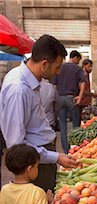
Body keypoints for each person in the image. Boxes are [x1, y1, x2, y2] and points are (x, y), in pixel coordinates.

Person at [0, 34, 78, 192]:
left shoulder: (26, 79)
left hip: (41, 158)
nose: (57, 73)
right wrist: (55, 157)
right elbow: (16, 145)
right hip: (34, 164)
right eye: (56, 67)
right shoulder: (19, 89)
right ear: (44, 64)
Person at [53, 50, 86, 153]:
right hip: (72, 98)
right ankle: (76, 149)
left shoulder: (59, 67)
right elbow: (83, 82)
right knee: (76, 125)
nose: (78, 62)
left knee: (63, 126)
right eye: (78, 60)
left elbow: (53, 85)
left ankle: (66, 151)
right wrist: (80, 96)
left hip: (60, 98)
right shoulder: (77, 69)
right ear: (75, 58)